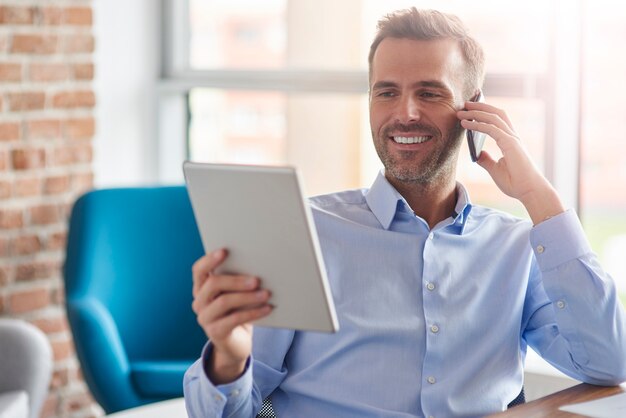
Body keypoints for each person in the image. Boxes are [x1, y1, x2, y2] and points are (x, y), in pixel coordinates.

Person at [183, 8, 626, 418]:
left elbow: (609, 362)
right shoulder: (305, 232)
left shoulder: (516, 246)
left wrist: (537, 195)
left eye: (429, 92)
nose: (405, 113)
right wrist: (228, 359)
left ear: (474, 110)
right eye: (387, 92)